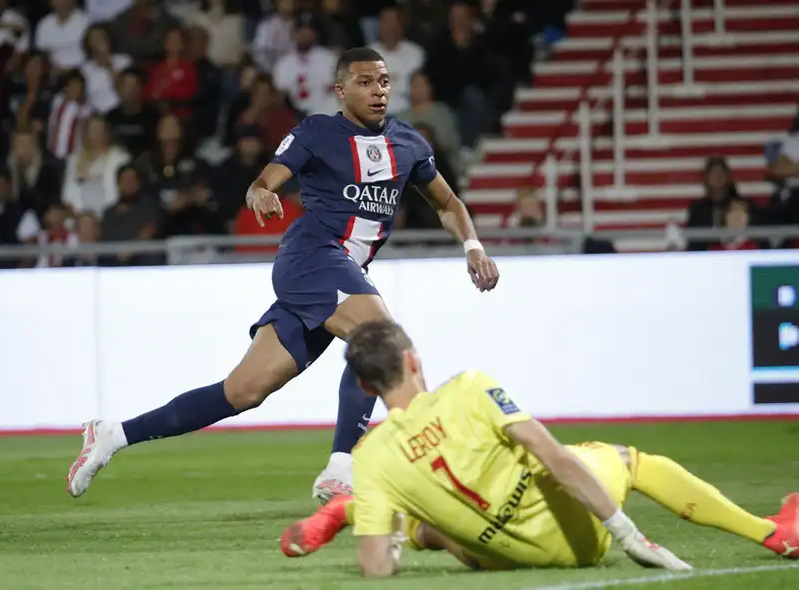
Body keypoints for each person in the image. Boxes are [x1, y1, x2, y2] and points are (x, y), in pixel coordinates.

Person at [66, 47, 499, 503]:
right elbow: (265, 180)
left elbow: (449, 203)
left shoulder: (409, 143)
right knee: (380, 338)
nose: (378, 91)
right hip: (311, 255)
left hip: (339, 274)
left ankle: (112, 434)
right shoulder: (317, 131)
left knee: (243, 390)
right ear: (340, 89)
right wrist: (260, 194)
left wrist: (473, 247)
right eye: (365, 82)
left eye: (385, 82)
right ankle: (343, 467)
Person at [279, 321, 799, 576]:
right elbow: (556, 458)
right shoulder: (469, 387)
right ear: (414, 360)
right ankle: (771, 533)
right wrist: (628, 533)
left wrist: (387, 547)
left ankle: (352, 511)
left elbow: (375, 570)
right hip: (580, 532)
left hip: (501, 560)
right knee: (626, 460)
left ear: (367, 389)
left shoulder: (371, 457)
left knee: (440, 521)